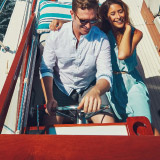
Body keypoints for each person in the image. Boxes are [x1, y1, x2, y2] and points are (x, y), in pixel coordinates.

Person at [49, 0, 152, 124]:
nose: (118, 16)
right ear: (107, 18)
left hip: (131, 83)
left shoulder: (135, 33)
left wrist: (128, 27)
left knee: (144, 124)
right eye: (113, 14)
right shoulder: (102, 31)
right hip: (111, 85)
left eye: (120, 12)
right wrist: (63, 23)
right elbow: (82, 23)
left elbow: (123, 54)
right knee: (120, 123)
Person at [40, 0, 115, 125]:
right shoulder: (55, 36)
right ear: (72, 14)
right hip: (61, 87)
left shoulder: (102, 39)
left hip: (89, 87)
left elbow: (105, 74)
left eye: (93, 20)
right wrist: (49, 98)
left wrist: (96, 91)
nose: (88, 26)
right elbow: (46, 68)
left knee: (109, 128)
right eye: (83, 21)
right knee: (49, 132)